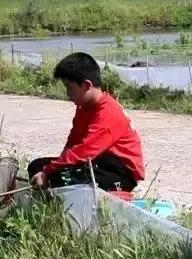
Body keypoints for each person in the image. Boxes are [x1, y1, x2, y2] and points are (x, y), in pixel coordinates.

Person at [28, 52, 146, 193]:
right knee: (36, 166)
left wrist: (48, 172)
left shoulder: (108, 112)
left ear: (86, 85)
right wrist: (49, 169)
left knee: (60, 178)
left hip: (119, 172)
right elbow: (73, 143)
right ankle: (50, 200)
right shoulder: (84, 108)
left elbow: (85, 150)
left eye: (69, 87)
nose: (67, 94)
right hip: (95, 163)